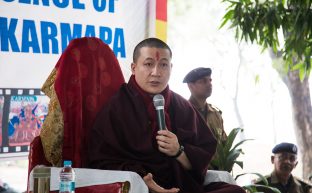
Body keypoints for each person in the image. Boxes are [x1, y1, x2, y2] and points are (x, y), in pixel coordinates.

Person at [87, 38, 245, 193]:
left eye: (163, 65)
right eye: (148, 64)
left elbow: (202, 156)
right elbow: (102, 161)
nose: (156, 73)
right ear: (134, 68)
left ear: (171, 67)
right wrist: (144, 182)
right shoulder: (117, 108)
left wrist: (179, 151)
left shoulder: (183, 106)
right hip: (141, 188)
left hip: (183, 187)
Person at [183, 67, 227, 145]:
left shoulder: (215, 114)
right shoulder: (184, 113)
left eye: (210, 80)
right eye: (203, 81)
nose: (209, 84)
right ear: (190, 86)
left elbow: (224, 144)